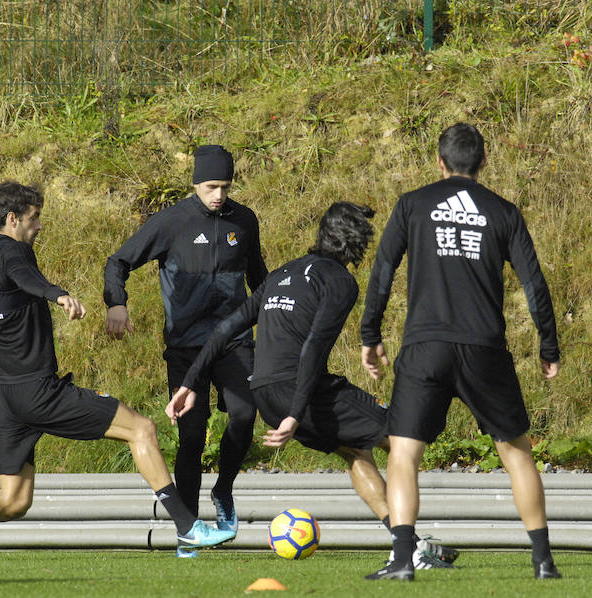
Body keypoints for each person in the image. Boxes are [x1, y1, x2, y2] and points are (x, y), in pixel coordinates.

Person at [0, 181, 234, 562]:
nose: (40, 226)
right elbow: (23, 274)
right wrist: (57, 294)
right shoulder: (15, 253)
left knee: (14, 501)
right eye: (34, 218)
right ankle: (188, 528)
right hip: (39, 392)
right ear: (12, 219)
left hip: (4, 398)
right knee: (141, 429)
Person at [166, 202, 459, 569]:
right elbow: (315, 347)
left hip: (265, 392)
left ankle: (410, 543)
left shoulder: (281, 274)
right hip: (298, 392)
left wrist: (190, 382)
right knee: (403, 436)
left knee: (356, 452)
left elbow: (225, 328)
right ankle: (408, 549)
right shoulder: (339, 281)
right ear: (358, 243)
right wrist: (296, 413)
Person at [360, 123, 562, 581]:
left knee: (404, 453)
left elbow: (383, 269)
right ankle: (543, 561)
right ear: (483, 162)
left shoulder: (413, 204)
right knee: (517, 453)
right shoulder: (503, 212)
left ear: (439, 161)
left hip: (425, 346)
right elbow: (534, 284)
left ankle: (401, 560)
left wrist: (369, 334)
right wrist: (547, 345)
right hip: (484, 348)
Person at [104, 145, 266, 536]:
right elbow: (118, 262)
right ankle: (189, 529)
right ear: (195, 183)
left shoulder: (243, 221)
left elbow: (259, 279)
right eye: (211, 187)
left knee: (245, 415)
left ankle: (224, 490)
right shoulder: (171, 222)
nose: (219, 196)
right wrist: (116, 304)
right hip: (186, 346)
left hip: (234, 341)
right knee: (192, 435)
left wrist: (282, 319)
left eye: (225, 187)